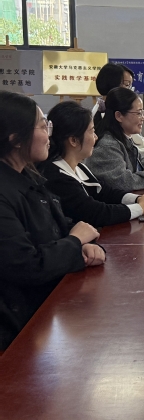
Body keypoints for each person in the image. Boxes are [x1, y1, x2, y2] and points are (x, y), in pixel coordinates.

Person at [0, 91, 105, 350]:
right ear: (15, 139)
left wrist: (85, 245)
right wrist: (75, 241)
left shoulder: (28, 176)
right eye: (42, 126)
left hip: (45, 310)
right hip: (17, 328)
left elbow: (60, 227)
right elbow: (27, 266)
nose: (49, 134)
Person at [41, 101, 144, 227]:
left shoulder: (79, 167)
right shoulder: (57, 177)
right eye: (91, 131)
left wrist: (137, 199)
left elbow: (105, 192)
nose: (96, 137)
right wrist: (141, 208)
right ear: (73, 140)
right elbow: (96, 213)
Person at [85, 87, 144, 191]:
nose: (143, 118)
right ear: (119, 116)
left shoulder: (123, 137)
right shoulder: (107, 146)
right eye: (138, 113)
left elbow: (142, 163)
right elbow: (124, 183)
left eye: (142, 112)